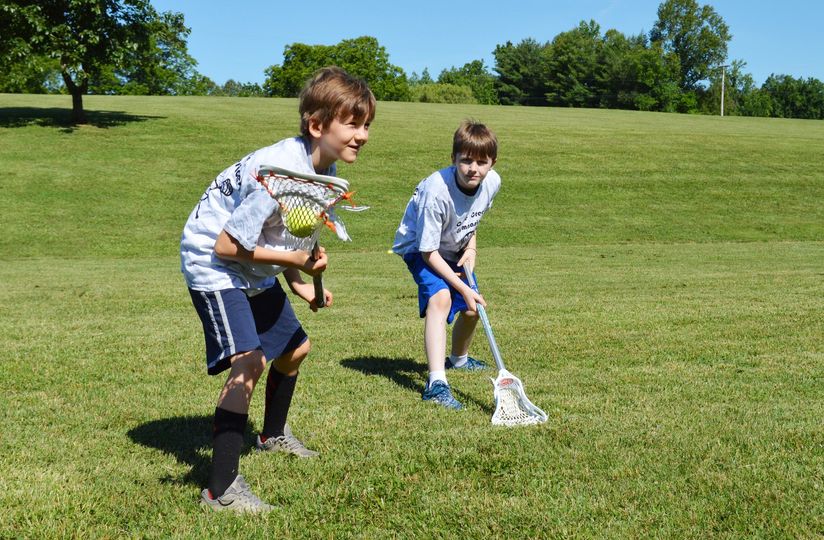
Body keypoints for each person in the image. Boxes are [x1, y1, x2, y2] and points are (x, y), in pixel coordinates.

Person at [180, 66, 375, 512]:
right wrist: (293, 262)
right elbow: (228, 245)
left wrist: (301, 284)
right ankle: (221, 489)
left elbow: (286, 232)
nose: (362, 134)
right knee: (249, 360)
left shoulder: (316, 170)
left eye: (366, 125)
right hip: (214, 265)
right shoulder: (281, 172)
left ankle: (272, 435)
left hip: (253, 266)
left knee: (295, 348)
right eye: (353, 123)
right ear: (316, 125)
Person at [392, 120, 501, 410]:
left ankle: (459, 360)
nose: (473, 169)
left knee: (471, 309)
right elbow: (428, 252)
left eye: (481, 162)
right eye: (465, 161)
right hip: (420, 248)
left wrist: (472, 247)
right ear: (453, 159)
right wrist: (461, 287)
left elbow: (471, 219)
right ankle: (436, 383)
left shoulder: (492, 183)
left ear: (492, 163)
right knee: (440, 300)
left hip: (454, 246)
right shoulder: (435, 192)